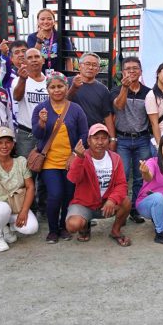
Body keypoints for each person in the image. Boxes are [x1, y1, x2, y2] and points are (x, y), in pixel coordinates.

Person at [32, 71, 88, 244]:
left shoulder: (75, 109)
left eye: (60, 86)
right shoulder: (40, 108)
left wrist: (75, 155)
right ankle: (52, 229)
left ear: (66, 87)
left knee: (68, 195)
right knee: (55, 194)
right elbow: (37, 134)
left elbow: (84, 134)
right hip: (49, 161)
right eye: (52, 87)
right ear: (47, 89)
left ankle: (64, 227)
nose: (57, 90)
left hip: (71, 160)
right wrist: (41, 123)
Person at [64, 124, 131, 246]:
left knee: (126, 202)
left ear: (109, 140)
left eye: (103, 138)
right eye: (96, 138)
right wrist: (79, 158)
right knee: (72, 225)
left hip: (106, 205)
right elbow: (73, 179)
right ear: (89, 141)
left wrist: (112, 200)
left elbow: (122, 184)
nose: (100, 142)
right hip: (84, 204)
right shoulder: (81, 156)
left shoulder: (116, 158)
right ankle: (85, 227)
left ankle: (115, 231)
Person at [111, 56, 151, 224]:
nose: (132, 71)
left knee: (140, 176)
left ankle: (135, 209)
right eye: (128, 69)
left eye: (135, 68)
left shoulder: (148, 92)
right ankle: (123, 209)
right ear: (122, 72)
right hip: (123, 140)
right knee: (123, 176)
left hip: (142, 139)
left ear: (141, 71)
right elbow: (118, 107)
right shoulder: (115, 90)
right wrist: (125, 89)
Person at [68, 53, 115, 138]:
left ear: (98, 69)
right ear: (79, 66)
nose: (90, 67)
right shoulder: (67, 82)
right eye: (87, 64)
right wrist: (73, 88)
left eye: (94, 65)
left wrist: (112, 138)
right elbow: (60, 103)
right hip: (70, 132)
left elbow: (107, 116)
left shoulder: (103, 90)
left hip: (94, 135)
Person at [12, 48, 48, 157]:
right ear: (25, 62)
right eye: (30, 58)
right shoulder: (18, 80)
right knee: (26, 171)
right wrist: (22, 79)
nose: (34, 60)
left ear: (43, 60)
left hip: (47, 133)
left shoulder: (50, 81)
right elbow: (17, 97)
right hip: (26, 134)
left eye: (37, 57)